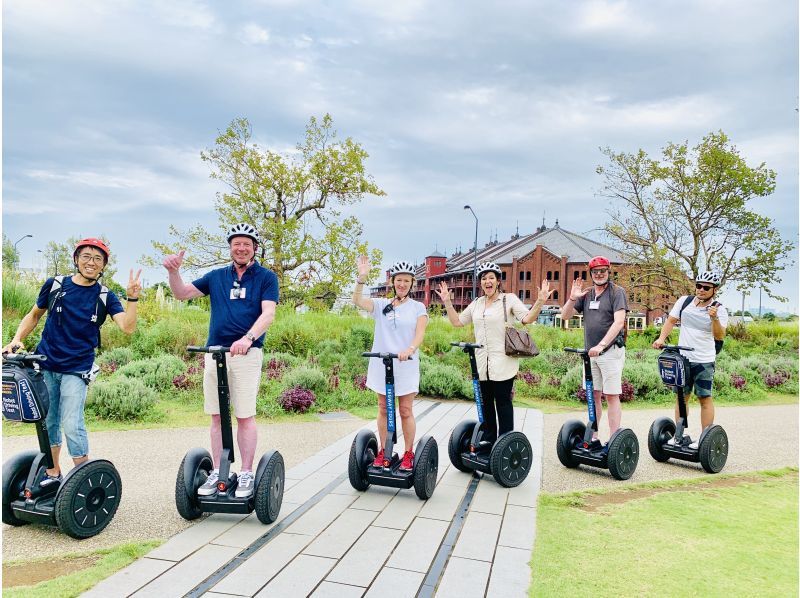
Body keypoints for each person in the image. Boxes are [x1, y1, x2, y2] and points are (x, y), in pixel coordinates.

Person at [2, 238, 141, 487]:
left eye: (98, 259)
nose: (91, 262)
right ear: (76, 260)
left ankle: (81, 480)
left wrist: (132, 299)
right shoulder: (55, 285)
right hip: (46, 364)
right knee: (49, 421)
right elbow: (34, 315)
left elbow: (127, 328)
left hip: (77, 368)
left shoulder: (105, 296)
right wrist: (16, 339)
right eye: (86, 256)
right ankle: (53, 474)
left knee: (71, 422)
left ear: (103, 266)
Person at [163, 223, 278, 498]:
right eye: (236, 244)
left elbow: (268, 314)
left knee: (244, 416)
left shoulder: (266, 277)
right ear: (230, 248)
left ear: (254, 249)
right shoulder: (216, 276)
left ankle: (247, 472)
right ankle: (218, 470)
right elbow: (182, 293)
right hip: (215, 354)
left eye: (246, 244)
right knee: (216, 416)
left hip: (246, 355)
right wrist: (174, 272)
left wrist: (247, 338)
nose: (241, 248)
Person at [435, 261, 551, 445]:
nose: (487, 281)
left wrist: (540, 300)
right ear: (480, 283)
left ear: (498, 281)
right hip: (483, 364)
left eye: (491, 278)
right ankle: (489, 441)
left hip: (503, 362)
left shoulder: (509, 299)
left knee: (503, 403)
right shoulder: (476, 303)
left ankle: (505, 444)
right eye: (483, 278)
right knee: (486, 404)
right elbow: (457, 322)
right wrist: (447, 302)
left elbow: (527, 319)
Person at [352, 256, 428, 471]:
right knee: (384, 408)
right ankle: (385, 451)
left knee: (405, 410)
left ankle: (408, 453)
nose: (402, 284)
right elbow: (357, 301)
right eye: (398, 280)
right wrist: (362, 278)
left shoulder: (418, 307)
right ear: (392, 283)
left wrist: (410, 349)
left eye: (406, 280)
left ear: (412, 283)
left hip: (406, 364)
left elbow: (420, 333)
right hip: (382, 364)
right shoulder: (381, 305)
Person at [560, 255, 629, 451]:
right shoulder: (587, 294)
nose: (599, 274)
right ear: (591, 274)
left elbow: (619, 322)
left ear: (608, 272)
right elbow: (565, 316)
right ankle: (594, 436)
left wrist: (602, 345)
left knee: (611, 395)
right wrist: (573, 297)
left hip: (610, 352)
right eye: (595, 271)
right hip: (590, 355)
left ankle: (614, 440)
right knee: (594, 394)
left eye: (603, 271)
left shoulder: (617, 292)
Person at [653, 270, 728, 448]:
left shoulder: (719, 309)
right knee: (682, 396)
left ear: (714, 290)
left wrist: (714, 318)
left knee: (704, 398)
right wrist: (661, 339)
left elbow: (719, 336)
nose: (701, 289)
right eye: (698, 286)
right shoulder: (684, 301)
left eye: (706, 287)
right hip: (683, 358)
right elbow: (671, 321)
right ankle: (679, 435)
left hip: (704, 360)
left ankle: (705, 439)